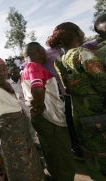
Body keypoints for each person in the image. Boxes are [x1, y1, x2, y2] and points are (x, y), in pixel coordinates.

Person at [48, 22, 106, 179]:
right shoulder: (83, 54)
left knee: (94, 156)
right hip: (100, 113)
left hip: (80, 115)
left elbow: (66, 90)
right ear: (76, 33)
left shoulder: (60, 60)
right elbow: (103, 80)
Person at [0, 56, 44, 181]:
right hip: (12, 142)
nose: (2, 73)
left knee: (30, 167)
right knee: (21, 170)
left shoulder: (3, 85)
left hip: (21, 138)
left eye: (4, 69)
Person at [22, 42, 75, 181]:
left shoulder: (26, 69)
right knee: (61, 155)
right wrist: (40, 105)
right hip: (50, 118)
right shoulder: (34, 66)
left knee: (52, 153)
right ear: (39, 52)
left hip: (44, 118)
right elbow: (37, 87)